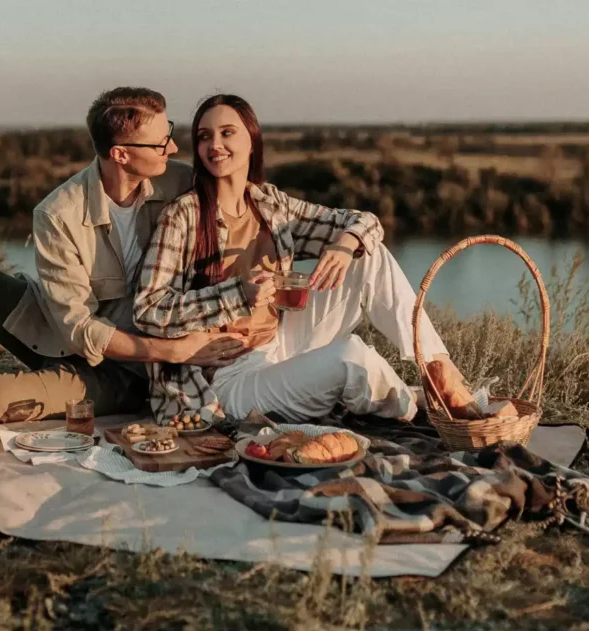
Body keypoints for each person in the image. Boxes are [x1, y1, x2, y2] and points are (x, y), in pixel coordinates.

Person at [0, 87, 247, 422]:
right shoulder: (58, 212)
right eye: (160, 143)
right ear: (120, 154)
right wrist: (176, 351)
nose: (171, 149)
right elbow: (77, 328)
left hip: (122, 371)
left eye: (168, 133)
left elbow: (252, 204)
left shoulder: (179, 182)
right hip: (59, 333)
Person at [133, 94, 470, 423]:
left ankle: (439, 371)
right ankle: (426, 408)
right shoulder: (183, 216)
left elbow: (366, 222)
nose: (214, 144)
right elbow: (148, 310)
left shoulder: (271, 204)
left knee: (369, 254)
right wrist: (237, 294)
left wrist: (342, 244)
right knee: (351, 357)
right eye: (204, 136)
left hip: (280, 342)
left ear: (252, 140)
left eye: (227, 133)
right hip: (227, 377)